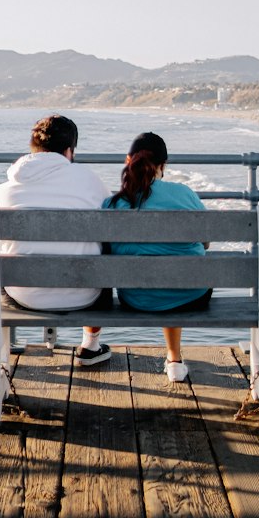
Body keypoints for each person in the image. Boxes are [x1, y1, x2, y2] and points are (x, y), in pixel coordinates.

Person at [0, 114, 112, 372]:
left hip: (24, 295)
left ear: (33, 149)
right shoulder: (91, 182)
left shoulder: (1, 192)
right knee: (102, 252)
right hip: (84, 294)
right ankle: (90, 346)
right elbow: (110, 229)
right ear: (69, 150)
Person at [103, 131, 212, 383]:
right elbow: (206, 241)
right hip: (191, 295)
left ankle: (91, 343)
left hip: (136, 297)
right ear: (163, 166)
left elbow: (105, 252)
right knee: (177, 270)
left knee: (157, 269)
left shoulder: (112, 204)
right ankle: (174, 360)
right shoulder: (184, 194)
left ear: (127, 160)